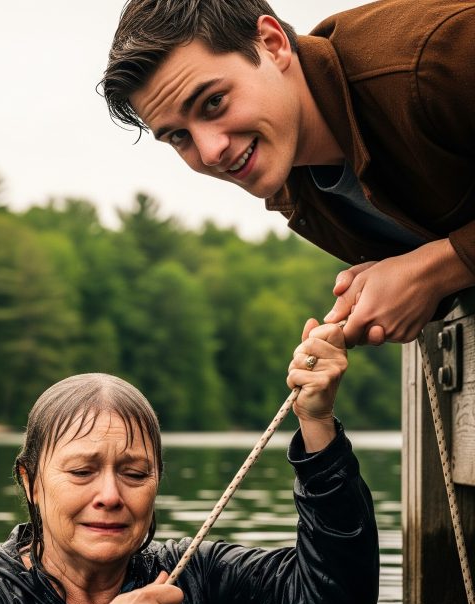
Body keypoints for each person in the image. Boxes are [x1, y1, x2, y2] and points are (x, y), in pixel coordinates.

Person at [0, 320, 379, 604]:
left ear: (157, 481)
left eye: (135, 474)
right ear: (30, 482)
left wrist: (316, 421)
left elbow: (337, 594)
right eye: (82, 472)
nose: (110, 496)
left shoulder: (193, 578)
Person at [101, 0, 475, 347]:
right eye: (179, 137)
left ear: (272, 43)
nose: (211, 152)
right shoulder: (290, 180)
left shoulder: (435, 59)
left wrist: (438, 269)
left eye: (214, 102)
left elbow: (439, 268)